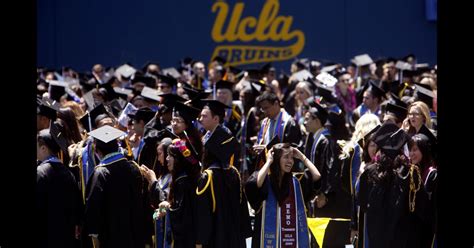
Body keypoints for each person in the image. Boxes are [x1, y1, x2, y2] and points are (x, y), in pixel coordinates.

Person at [357, 122, 429, 248]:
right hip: (403, 236)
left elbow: (363, 204)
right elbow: (422, 208)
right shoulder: (411, 173)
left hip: (377, 235)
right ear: (402, 147)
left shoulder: (369, 172)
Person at [245, 143, 321, 248]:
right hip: (266, 240)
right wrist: (268, 162)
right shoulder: (265, 181)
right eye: (286, 157)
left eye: (291, 157)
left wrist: (302, 157)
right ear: (276, 159)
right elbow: (254, 185)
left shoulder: (296, 183)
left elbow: (317, 176)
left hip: (291, 240)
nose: (290, 161)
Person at [83, 125, 145, 248]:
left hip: (111, 236)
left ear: (97, 150)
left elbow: (93, 208)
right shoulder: (134, 167)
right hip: (134, 233)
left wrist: (93, 235)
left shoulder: (100, 173)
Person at [195, 120, 252, 248]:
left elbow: (204, 214)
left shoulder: (207, 177)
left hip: (216, 237)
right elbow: (242, 208)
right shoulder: (234, 173)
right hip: (235, 237)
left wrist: (199, 241)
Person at [147, 139, 200, 247]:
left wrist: (166, 207)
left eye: (170, 155)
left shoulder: (183, 181)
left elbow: (182, 214)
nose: (167, 159)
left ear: (178, 159)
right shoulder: (179, 179)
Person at [37, 128, 82, 248]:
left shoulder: (40, 172)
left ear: (43, 148)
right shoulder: (68, 172)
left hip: (45, 235)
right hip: (65, 236)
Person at [408, 133, 438, 247]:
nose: (411, 154)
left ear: (424, 151)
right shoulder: (410, 173)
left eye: (415, 150)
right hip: (413, 229)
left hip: (427, 230)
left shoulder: (432, 175)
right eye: (410, 150)